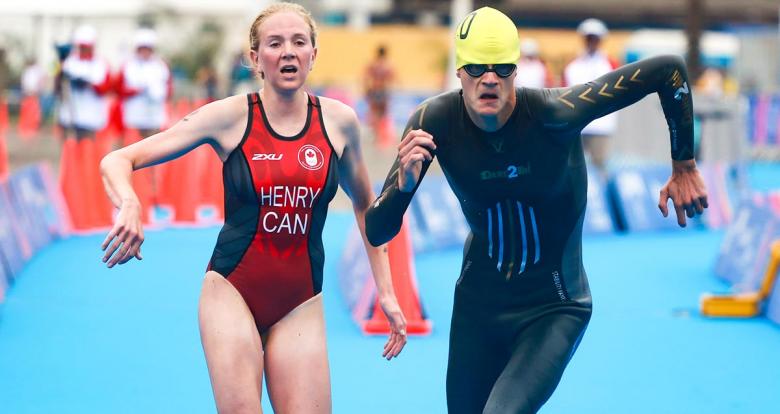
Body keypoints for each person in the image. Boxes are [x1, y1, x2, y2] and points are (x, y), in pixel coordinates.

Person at [366, 7, 707, 414]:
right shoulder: (433, 121)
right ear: (459, 72)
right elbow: (377, 230)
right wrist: (403, 188)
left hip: (554, 307)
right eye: (475, 67)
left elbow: (668, 70)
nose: (488, 78)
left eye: (501, 68)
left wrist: (683, 164)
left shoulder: (555, 113)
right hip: (478, 308)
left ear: (517, 71)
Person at [99, 3, 407, 412]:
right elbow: (117, 160)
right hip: (232, 290)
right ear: (255, 58)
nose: (288, 52)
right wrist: (130, 204)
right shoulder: (229, 117)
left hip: (301, 300)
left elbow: (370, 211)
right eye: (274, 43)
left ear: (313, 54)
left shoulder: (340, 123)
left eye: (299, 42)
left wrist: (386, 292)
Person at [563, 18, 619, 174]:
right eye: (589, 38)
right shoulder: (573, 65)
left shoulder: (611, 64)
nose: (592, 41)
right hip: (577, 125)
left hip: (601, 125)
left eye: (595, 38)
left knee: (600, 166)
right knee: (572, 167)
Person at [57, 25, 112, 140]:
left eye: (86, 47)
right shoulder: (69, 62)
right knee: (70, 149)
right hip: (70, 116)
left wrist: (88, 84)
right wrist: (62, 74)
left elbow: (106, 88)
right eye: (81, 47)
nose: (83, 50)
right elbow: (58, 87)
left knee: (88, 151)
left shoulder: (101, 63)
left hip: (92, 117)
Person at [118, 27, 172, 138]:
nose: (145, 52)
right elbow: (119, 88)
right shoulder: (129, 65)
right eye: (142, 48)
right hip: (134, 115)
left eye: (147, 49)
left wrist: (157, 92)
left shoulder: (160, 65)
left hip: (154, 114)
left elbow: (168, 88)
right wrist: (136, 90)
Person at [364, 44, 395, 147]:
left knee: (376, 114)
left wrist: (366, 90)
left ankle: (377, 136)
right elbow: (392, 78)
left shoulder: (373, 64)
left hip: (375, 90)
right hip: (383, 91)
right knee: (383, 114)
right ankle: (381, 137)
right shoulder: (387, 65)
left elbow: (365, 77)